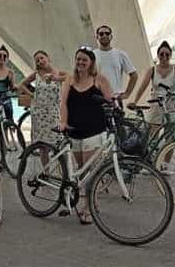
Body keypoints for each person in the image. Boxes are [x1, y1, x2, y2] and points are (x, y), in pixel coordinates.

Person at [59, 47, 114, 224]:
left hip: (94, 131)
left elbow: (109, 102)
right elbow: (64, 103)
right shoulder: (69, 80)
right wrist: (63, 122)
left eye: (84, 60)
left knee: (91, 172)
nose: (81, 62)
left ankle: (86, 206)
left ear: (91, 62)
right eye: (78, 59)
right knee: (82, 170)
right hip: (75, 131)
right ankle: (91, 201)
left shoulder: (99, 80)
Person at [132, 41, 175, 133]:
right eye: (161, 54)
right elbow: (142, 87)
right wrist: (135, 101)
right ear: (158, 55)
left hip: (170, 106)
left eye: (167, 54)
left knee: (170, 136)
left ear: (170, 55)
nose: (164, 57)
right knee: (153, 135)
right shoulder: (152, 70)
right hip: (155, 105)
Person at [18, 50, 67, 146]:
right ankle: (45, 161)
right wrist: (31, 95)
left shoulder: (58, 72)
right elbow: (22, 85)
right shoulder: (36, 74)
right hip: (39, 113)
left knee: (58, 141)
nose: (40, 61)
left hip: (54, 112)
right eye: (37, 60)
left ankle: (60, 161)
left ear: (47, 58)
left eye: (42, 58)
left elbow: (71, 77)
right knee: (42, 144)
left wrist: (56, 78)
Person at [94, 25, 138, 103]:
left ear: (111, 36)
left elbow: (134, 75)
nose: (104, 36)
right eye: (101, 34)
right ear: (97, 37)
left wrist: (127, 94)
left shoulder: (120, 54)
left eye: (107, 33)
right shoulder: (92, 55)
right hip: (98, 98)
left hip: (115, 99)